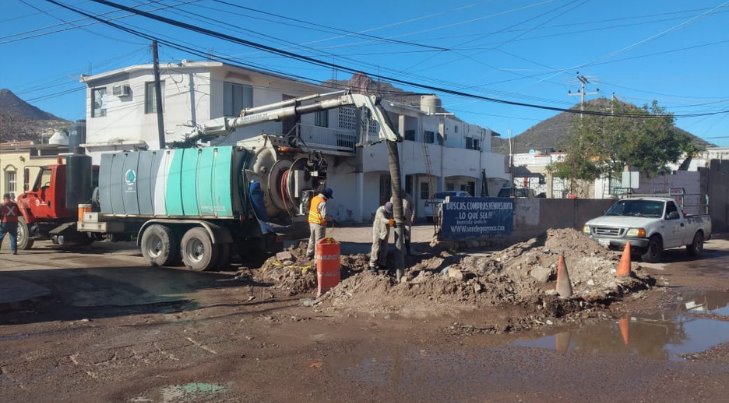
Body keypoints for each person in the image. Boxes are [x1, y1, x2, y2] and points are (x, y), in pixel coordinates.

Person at [306, 187, 333, 259]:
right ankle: (317, 258)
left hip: (311, 222)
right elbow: (324, 216)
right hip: (319, 224)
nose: (328, 199)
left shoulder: (314, 198)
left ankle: (309, 253)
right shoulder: (322, 202)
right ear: (326, 195)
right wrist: (331, 218)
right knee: (319, 241)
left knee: (312, 238)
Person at [369, 201, 393, 270]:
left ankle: (382, 263)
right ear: (385, 207)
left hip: (385, 231)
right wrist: (392, 222)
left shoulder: (389, 211)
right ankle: (373, 264)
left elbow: (391, 220)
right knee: (376, 247)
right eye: (388, 211)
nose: (389, 213)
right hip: (378, 231)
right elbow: (383, 220)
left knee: (385, 248)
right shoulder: (380, 211)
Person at [391, 191, 415, 255]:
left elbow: (413, 207)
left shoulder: (408, 197)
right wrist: (392, 222)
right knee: (398, 236)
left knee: (407, 236)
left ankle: (408, 251)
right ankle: (399, 252)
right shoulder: (393, 198)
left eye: (404, 196)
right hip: (397, 221)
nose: (403, 197)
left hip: (407, 221)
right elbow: (390, 209)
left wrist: (412, 217)